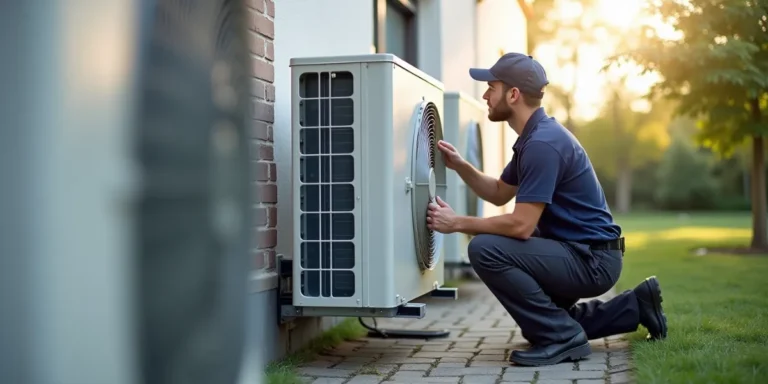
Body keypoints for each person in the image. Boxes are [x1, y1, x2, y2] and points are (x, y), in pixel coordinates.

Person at [426, 52, 668, 367]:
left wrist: (457, 222)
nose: (485, 94)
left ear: (513, 95)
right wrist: (461, 166)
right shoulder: (534, 138)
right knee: (538, 325)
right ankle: (635, 306)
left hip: (592, 260)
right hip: (581, 253)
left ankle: (564, 338)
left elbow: (521, 226)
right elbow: (499, 193)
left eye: (491, 87)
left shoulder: (542, 144)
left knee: (485, 248)